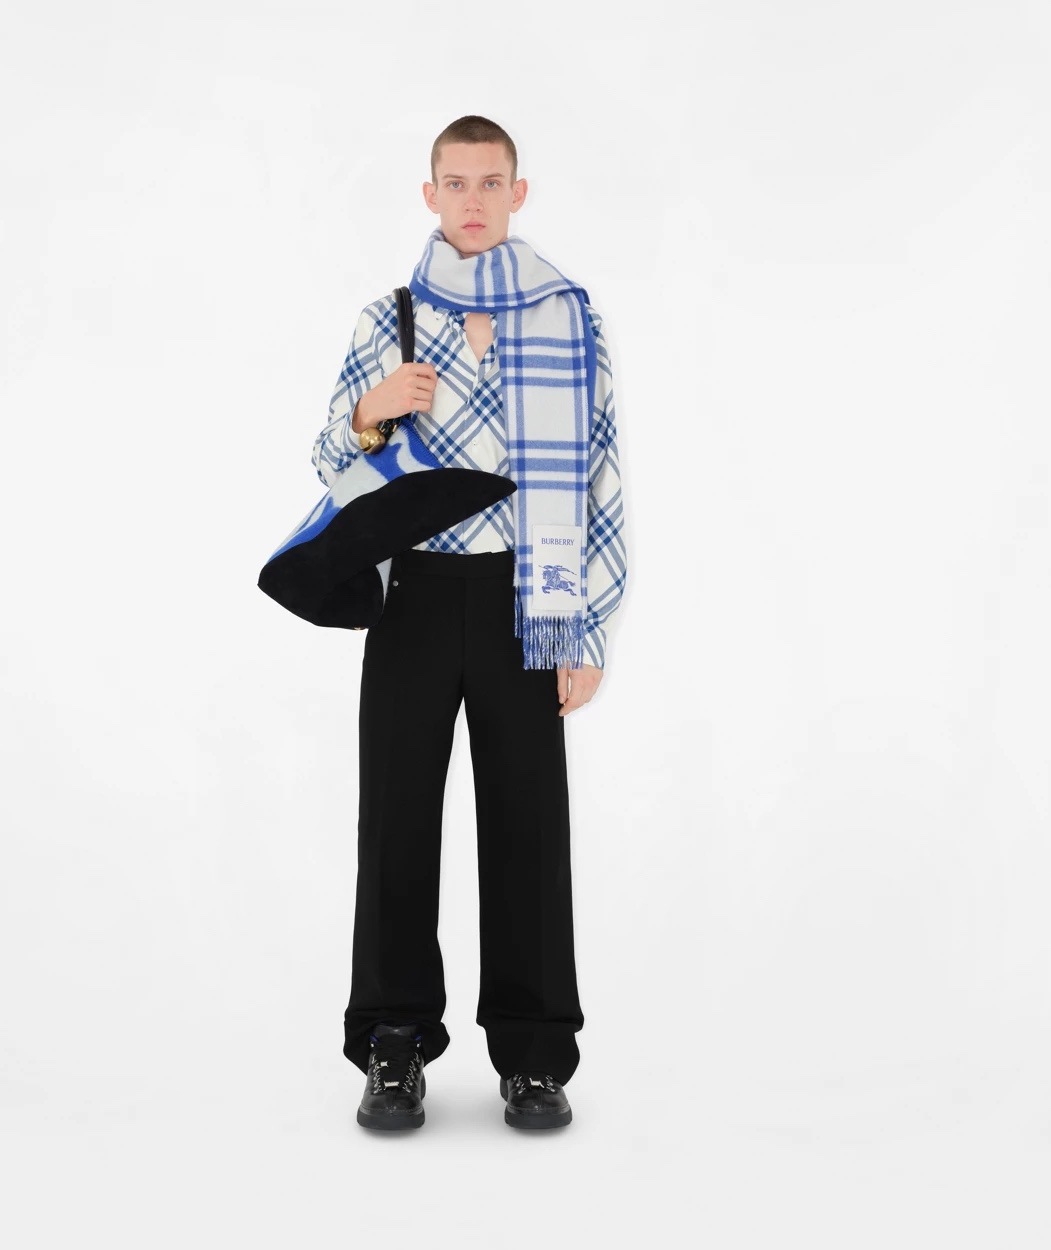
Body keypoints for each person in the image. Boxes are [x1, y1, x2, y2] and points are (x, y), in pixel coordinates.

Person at [310, 115, 627, 1130]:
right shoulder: (389, 318)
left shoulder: (568, 317)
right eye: (456, 183)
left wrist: (586, 631)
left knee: (528, 826)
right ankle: (393, 1043)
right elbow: (331, 465)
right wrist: (371, 410)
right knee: (396, 820)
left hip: (526, 601)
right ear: (430, 194)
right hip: (413, 594)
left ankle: (533, 1056)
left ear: (517, 193)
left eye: (491, 182)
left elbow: (599, 471)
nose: (474, 201)